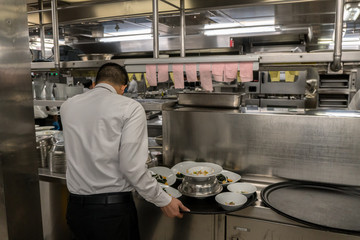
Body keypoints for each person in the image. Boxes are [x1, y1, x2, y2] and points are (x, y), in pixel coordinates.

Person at [60, 63, 189, 240]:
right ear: (123, 87)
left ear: (95, 83)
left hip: (76, 209)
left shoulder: (68, 106)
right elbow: (132, 168)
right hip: (112, 213)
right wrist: (163, 200)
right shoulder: (130, 107)